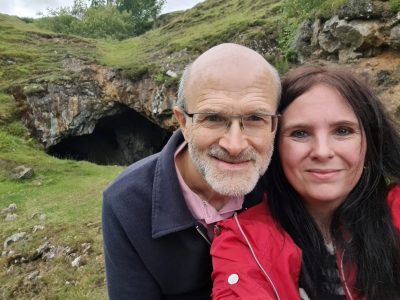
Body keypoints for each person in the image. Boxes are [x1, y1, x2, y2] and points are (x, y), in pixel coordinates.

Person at [102, 43, 281, 299]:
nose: (234, 145)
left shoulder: (285, 179)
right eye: (213, 118)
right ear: (183, 122)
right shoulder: (126, 203)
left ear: (274, 124)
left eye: (255, 119)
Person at [211, 66, 400, 299]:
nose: (322, 152)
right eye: (300, 133)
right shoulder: (242, 242)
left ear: (370, 143)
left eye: (343, 131)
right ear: (275, 148)